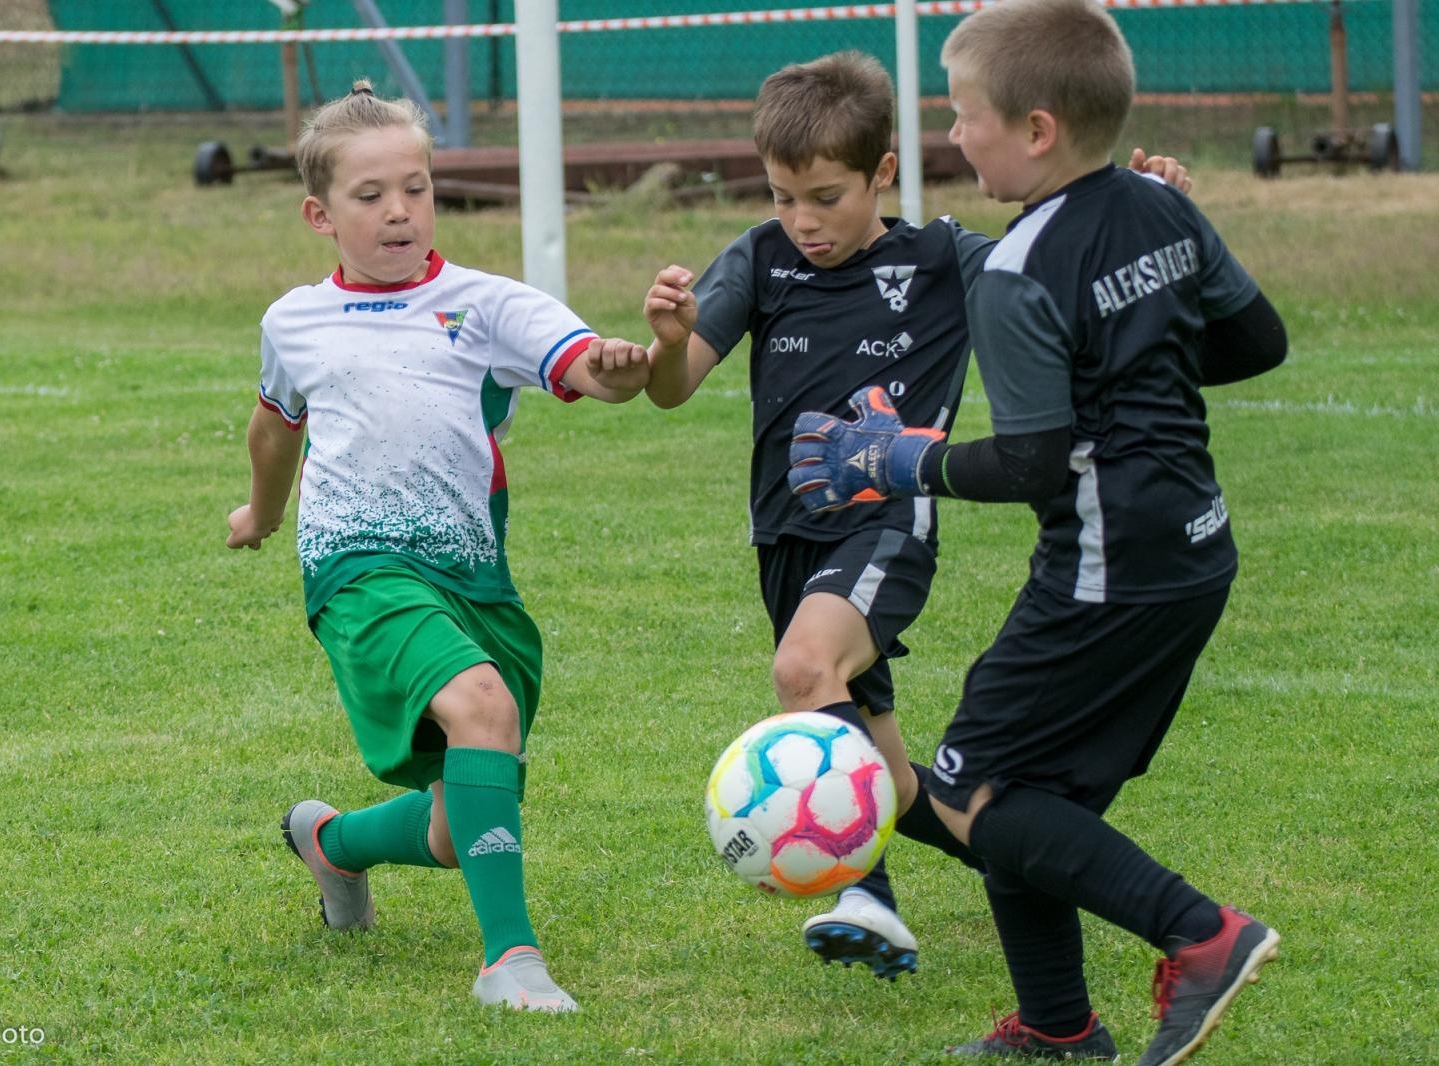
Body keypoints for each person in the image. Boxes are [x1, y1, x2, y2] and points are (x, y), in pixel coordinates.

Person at [786, 1, 1287, 1061]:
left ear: (1038, 128)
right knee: (1028, 791)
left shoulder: (1018, 267)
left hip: (1109, 568)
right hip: (1193, 548)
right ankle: (1059, 1026)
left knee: (976, 786)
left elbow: (1030, 461)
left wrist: (896, 456)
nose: (954, 136)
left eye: (965, 116)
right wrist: (1132, 348)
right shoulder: (1162, 208)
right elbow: (1253, 341)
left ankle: (1200, 934)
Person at [643, 51, 1190, 982]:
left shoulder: (945, 259)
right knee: (895, 786)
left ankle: (869, 899)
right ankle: (1089, 876)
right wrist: (662, 342)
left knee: (802, 667)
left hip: (884, 522)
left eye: (825, 196)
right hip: (785, 539)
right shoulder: (761, 257)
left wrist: (1142, 205)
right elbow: (672, 388)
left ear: (883, 172)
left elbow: (1061, 267)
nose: (803, 223)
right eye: (783, 198)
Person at [226, 80, 652, 1013]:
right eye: (370, 194)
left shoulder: (487, 304)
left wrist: (628, 363)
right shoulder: (293, 320)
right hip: (357, 569)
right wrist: (261, 514)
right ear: (319, 212)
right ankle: (511, 963)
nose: (398, 211)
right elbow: (275, 430)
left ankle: (330, 845)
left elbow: (593, 371)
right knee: (482, 706)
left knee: (461, 826)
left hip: (472, 580)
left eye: (415, 188)